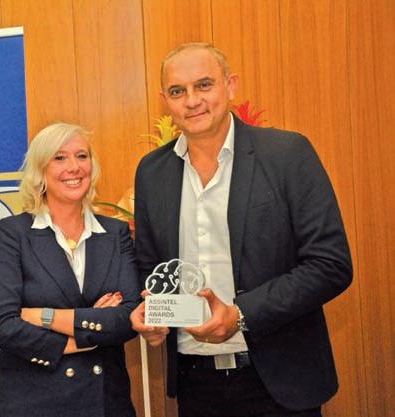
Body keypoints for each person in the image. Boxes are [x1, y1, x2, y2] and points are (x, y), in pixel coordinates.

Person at [130, 43, 352, 417]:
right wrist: (153, 314)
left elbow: (330, 265)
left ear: (230, 85)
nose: (192, 101)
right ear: (165, 101)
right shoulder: (152, 172)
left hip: (279, 381)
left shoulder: (287, 155)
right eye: (178, 91)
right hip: (196, 384)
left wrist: (241, 314)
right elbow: (151, 270)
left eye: (204, 85)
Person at [0, 122, 139, 417]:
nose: (74, 167)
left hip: (105, 403)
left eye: (82, 156)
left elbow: (128, 318)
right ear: (40, 171)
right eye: (60, 158)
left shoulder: (115, 233)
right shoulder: (13, 233)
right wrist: (79, 340)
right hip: (33, 404)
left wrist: (44, 316)